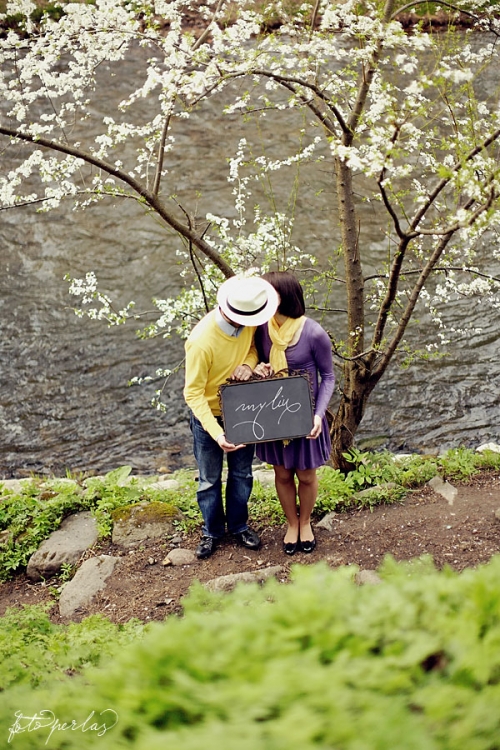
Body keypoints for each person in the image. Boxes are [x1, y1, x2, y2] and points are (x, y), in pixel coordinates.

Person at [184, 275, 279, 559]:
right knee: (209, 479)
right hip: (209, 418)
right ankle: (212, 531)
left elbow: (251, 350)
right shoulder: (201, 342)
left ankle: (238, 525)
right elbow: (193, 393)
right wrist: (216, 433)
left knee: (242, 474)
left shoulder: (247, 324)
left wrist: (247, 366)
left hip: (241, 409)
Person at [253, 271, 335, 555]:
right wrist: (259, 368)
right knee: (283, 475)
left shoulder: (313, 332)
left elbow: (329, 376)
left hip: (306, 417)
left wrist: (319, 414)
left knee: (307, 476)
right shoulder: (262, 330)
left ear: (282, 298)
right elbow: (259, 361)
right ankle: (291, 523)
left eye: (267, 295)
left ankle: (305, 522)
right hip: (274, 414)